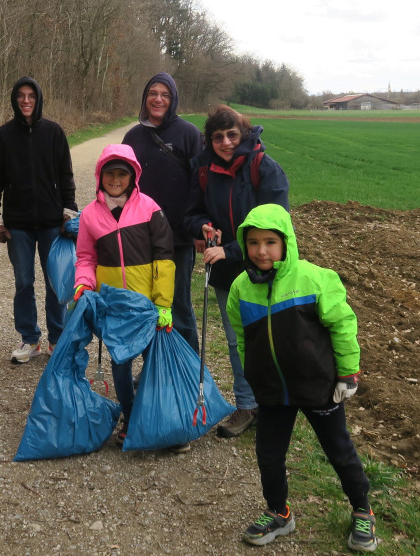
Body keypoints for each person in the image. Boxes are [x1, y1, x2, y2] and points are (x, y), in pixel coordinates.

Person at [227, 204, 376, 552]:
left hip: (319, 387)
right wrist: (252, 375)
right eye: (252, 242)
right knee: (268, 453)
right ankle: (279, 512)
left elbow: (342, 324)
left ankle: (362, 509)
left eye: (269, 242)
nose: (261, 251)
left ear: (286, 243)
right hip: (272, 392)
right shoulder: (240, 287)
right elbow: (241, 335)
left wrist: (348, 373)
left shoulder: (314, 278)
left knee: (339, 450)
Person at [184, 104, 289, 438]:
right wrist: (202, 227)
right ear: (210, 141)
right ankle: (247, 405)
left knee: (271, 337)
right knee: (236, 340)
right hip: (228, 273)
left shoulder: (265, 168)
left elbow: (274, 228)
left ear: (243, 134)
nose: (226, 143)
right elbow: (191, 213)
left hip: (266, 268)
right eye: (218, 137)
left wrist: (228, 249)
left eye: (232, 135)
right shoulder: (202, 169)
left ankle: (276, 403)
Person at [73, 144, 179, 448]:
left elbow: (164, 259)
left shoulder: (150, 208)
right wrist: (83, 285)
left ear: (133, 176)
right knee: (120, 364)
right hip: (114, 306)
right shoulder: (90, 215)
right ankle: (131, 416)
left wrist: (163, 303)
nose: (116, 179)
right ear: (100, 176)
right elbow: (85, 258)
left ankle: (157, 416)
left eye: (122, 173)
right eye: (110, 173)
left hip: (147, 305)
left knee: (153, 361)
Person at [0, 76, 78, 364]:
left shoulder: (54, 133)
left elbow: (66, 175)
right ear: (14, 100)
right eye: (21, 96)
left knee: (56, 282)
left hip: (52, 223)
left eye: (31, 96)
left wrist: (69, 212)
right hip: (18, 225)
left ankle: (56, 339)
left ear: (38, 99)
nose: (26, 100)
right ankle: (30, 339)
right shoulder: (2, 137)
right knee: (24, 282)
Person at [122, 72, 203, 353]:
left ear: (173, 99)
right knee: (145, 306)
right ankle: (154, 370)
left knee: (178, 306)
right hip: (139, 237)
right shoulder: (132, 136)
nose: (158, 99)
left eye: (165, 94)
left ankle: (189, 373)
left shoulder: (189, 134)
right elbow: (121, 185)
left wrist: (198, 229)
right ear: (145, 98)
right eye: (152, 93)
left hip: (177, 238)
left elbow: (200, 184)